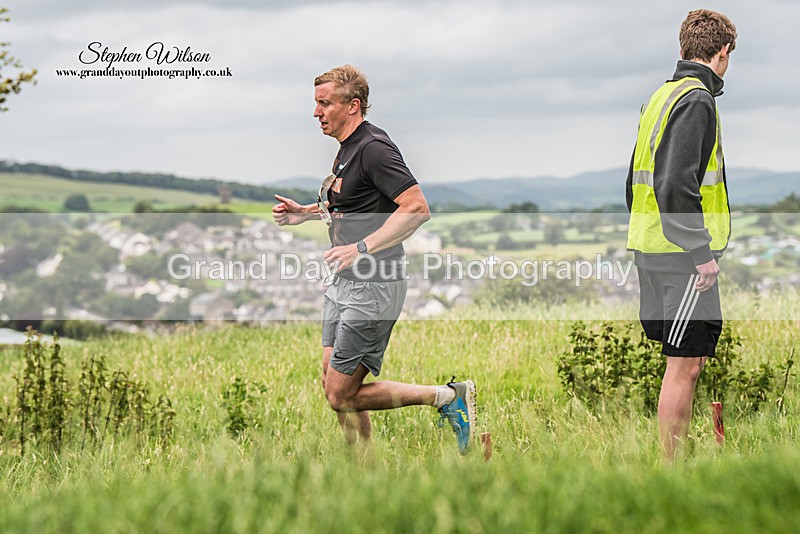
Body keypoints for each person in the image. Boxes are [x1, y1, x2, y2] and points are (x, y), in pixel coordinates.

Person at [272, 65, 477, 454]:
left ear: (353, 106)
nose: (316, 112)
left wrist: (361, 248)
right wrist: (306, 212)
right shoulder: (347, 149)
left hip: (374, 286)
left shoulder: (374, 149)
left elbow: (416, 208)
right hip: (344, 282)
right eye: (315, 103)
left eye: (324, 103)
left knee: (341, 394)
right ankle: (362, 470)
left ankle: (449, 397)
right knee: (332, 382)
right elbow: (352, 204)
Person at [626, 9, 736, 461]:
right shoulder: (696, 100)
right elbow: (674, 182)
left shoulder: (662, 95)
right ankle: (671, 471)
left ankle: (674, 461)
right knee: (685, 365)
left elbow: (636, 178)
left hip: (652, 246)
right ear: (723, 52)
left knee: (684, 359)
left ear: (683, 49)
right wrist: (700, 252)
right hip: (681, 257)